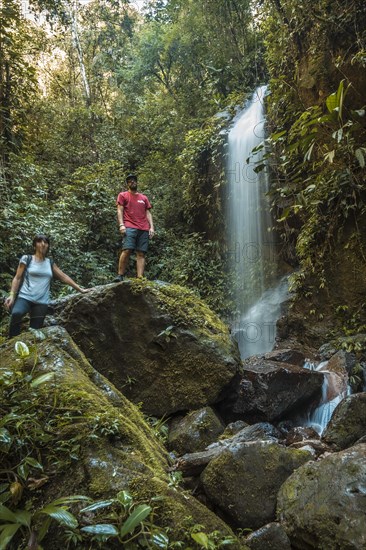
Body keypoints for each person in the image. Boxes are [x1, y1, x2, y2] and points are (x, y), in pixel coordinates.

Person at [4, 234, 89, 337]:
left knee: (35, 331)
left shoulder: (50, 263)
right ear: (34, 245)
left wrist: (80, 289)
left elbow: (64, 277)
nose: (43, 244)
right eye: (39, 241)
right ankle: (13, 342)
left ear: (48, 246)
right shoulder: (27, 259)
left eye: (45, 242)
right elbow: (17, 278)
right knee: (16, 314)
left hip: (41, 302)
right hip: (25, 297)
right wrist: (12, 295)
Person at [114, 174, 154, 281]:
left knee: (141, 253)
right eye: (130, 181)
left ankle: (140, 277)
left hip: (143, 228)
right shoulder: (123, 195)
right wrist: (121, 224)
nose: (132, 182)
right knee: (127, 249)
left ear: (137, 182)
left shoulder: (144, 198)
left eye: (134, 180)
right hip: (130, 226)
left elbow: (148, 213)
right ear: (127, 184)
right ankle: (120, 275)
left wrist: (152, 228)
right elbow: (120, 210)